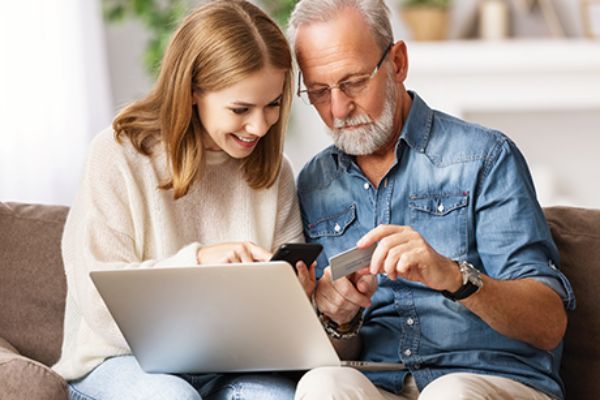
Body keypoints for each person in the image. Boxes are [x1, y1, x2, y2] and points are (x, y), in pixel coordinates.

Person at [287, 1, 575, 399]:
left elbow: (547, 323)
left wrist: (453, 277)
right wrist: (340, 320)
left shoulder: (484, 157)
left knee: (449, 393)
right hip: (381, 383)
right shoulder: (314, 183)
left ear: (398, 63)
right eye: (319, 91)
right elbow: (340, 352)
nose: (337, 109)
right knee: (321, 384)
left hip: (488, 381)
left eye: (353, 82)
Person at [52, 1, 315, 399]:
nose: (260, 125)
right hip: (120, 362)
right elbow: (99, 301)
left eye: (273, 104)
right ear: (193, 91)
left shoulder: (274, 171)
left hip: (233, 365)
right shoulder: (118, 154)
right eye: (240, 108)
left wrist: (300, 297)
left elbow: (284, 321)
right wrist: (198, 261)